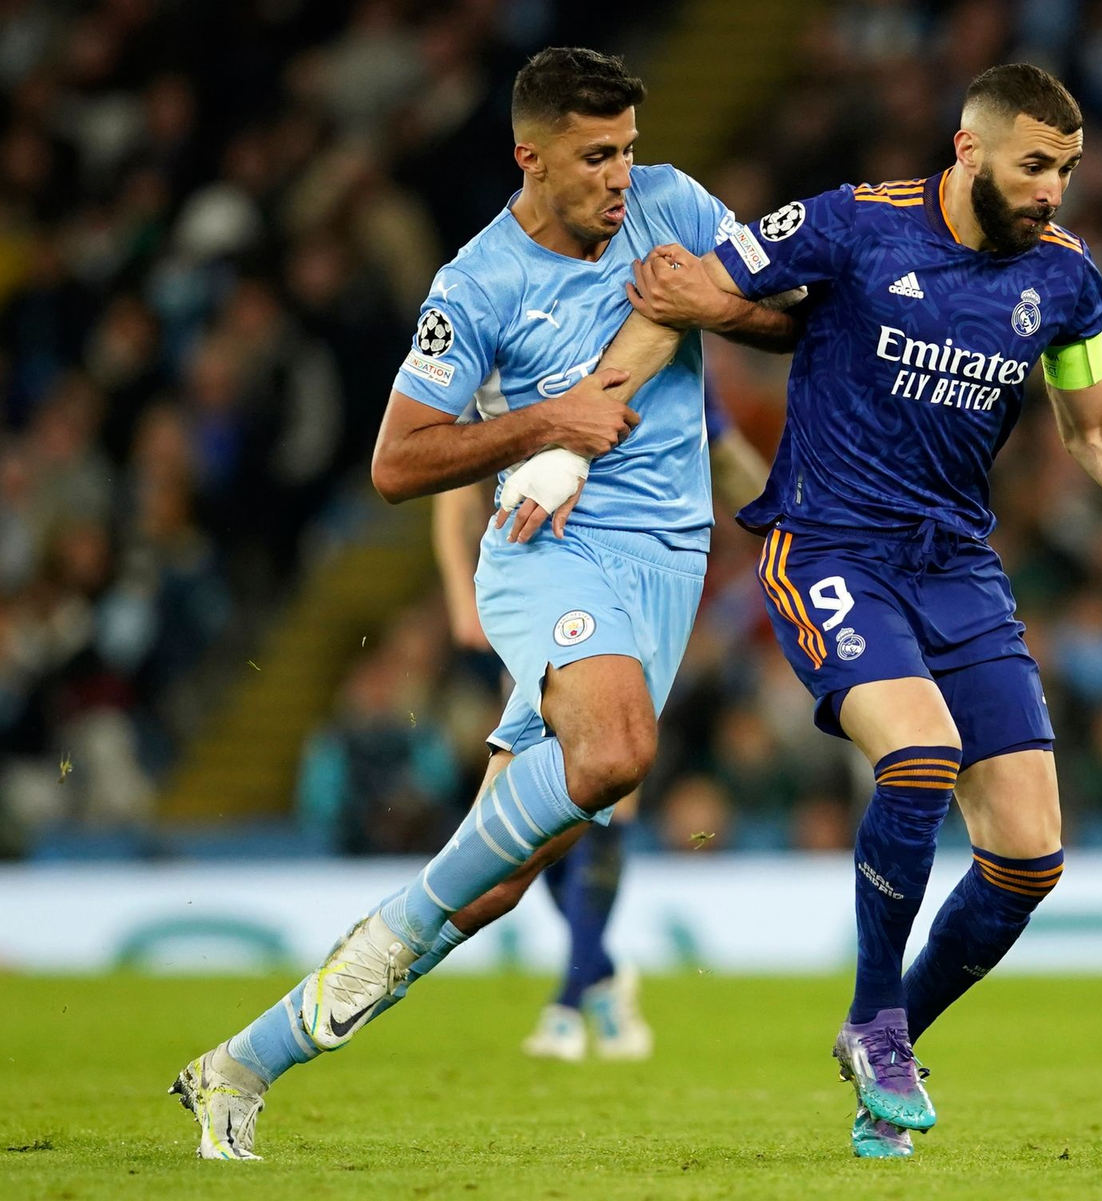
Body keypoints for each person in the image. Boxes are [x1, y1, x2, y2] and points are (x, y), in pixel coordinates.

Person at [169, 46, 799, 1159]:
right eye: (596, 157)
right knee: (616, 752)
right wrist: (546, 426)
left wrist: (710, 299)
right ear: (532, 157)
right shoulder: (475, 284)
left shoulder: (673, 204)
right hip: (545, 552)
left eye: (629, 151)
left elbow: (789, 315)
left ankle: (242, 1062)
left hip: (667, 567)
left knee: (495, 882)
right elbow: (399, 462)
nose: (622, 176)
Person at [625, 62, 1102, 1159]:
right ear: (968, 150)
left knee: (1030, 854)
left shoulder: (1068, 282)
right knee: (921, 754)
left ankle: (877, 1036)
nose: (1054, 192)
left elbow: (1099, 435)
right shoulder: (853, 223)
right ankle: (882, 1023)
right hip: (831, 544)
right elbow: (696, 288)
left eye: (1070, 171)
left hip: (956, 566)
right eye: (1036, 166)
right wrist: (596, 413)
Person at [431, 378, 768, 1062]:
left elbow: (728, 459)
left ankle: (566, 1002)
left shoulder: (668, 360)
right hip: (538, 588)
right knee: (544, 808)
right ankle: (603, 974)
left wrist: (808, 527)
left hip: (641, 595)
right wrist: (460, 595)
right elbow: (453, 483)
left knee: (606, 788)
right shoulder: (520, 351)